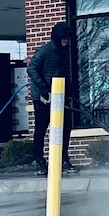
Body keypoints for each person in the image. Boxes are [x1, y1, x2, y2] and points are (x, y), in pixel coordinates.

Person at [26, 22, 74, 172]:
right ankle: (39, 160)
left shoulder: (66, 52)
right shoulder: (45, 51)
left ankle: (63, 158)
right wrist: (44, 89)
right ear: (57, 38)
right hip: (43, 97)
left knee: (65, 128)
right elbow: (31, 68)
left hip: (60, 94)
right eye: (63, 38)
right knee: (42, 128)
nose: (66, 41)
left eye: (67, 39)